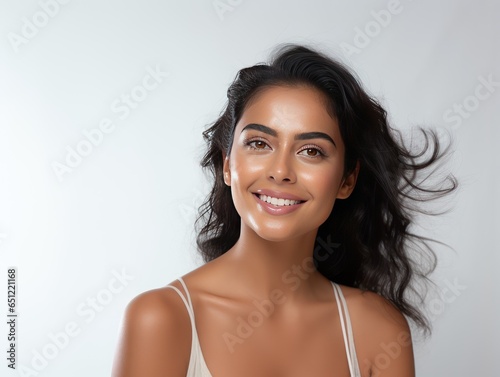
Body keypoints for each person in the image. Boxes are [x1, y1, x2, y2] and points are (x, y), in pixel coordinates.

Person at [111, 44, 457, 376]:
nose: (280, 171)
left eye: (311, 151)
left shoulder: (377, 329)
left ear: (346, 180)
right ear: (228, 163)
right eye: (260, 143)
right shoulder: (163, 319)